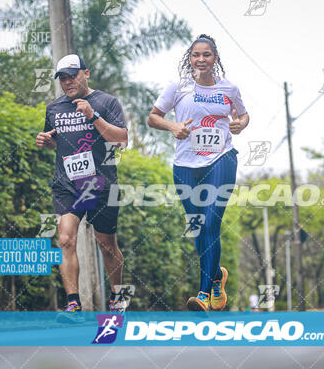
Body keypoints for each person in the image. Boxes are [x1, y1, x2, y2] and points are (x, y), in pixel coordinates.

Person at [147, 34, 249, 311]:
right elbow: (153, 117)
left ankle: (203, 294)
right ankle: (217, 276)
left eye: (206, 55)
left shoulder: (229, 88)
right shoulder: (178, 87)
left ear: (215, 58)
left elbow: (243, 114)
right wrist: (172, 127)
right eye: (196, 55)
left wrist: (240, 124)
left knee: (210, 223)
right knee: (197, 227)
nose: (201, 60)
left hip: (221, 159)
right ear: (189, 59)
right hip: (184, 166)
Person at [36, 54, 129, 321]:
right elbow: (57, 142)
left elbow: (121, 140)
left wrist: (93, 115)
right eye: (62, 78)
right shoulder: (54, 109)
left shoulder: (107, 102)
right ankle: (73, 304)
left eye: (72, 76)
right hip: (68, 185)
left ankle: (116, 296)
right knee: (64, 239)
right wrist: (47, 141)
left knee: (106, 244)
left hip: (101, 184)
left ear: (85, 74)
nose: (67, 82)